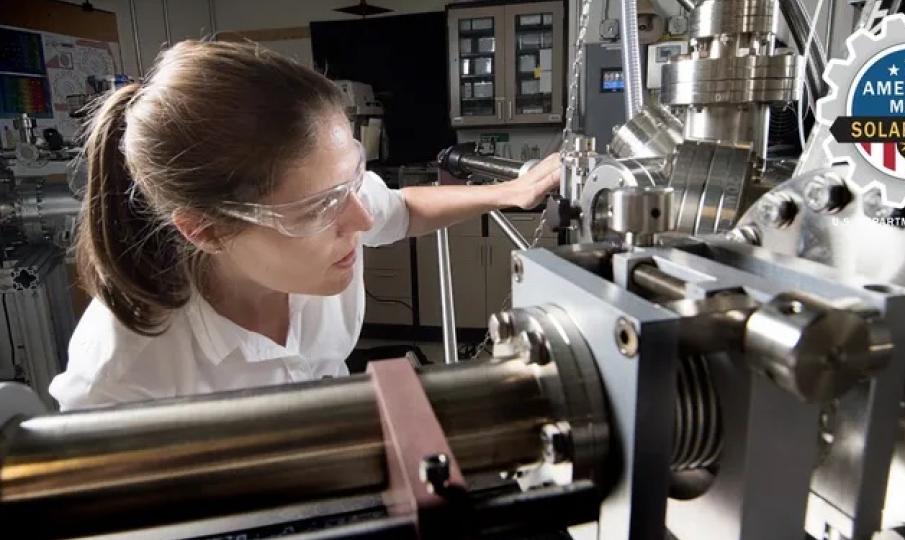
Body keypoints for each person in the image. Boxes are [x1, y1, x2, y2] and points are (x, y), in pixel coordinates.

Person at [49, 41, 561, 411]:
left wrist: (510, 192)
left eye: (353, 179)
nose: (361, 219)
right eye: (321, 207)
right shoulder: (123, 370)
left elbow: (402, 207)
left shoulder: (333, 213)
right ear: (204, 231)